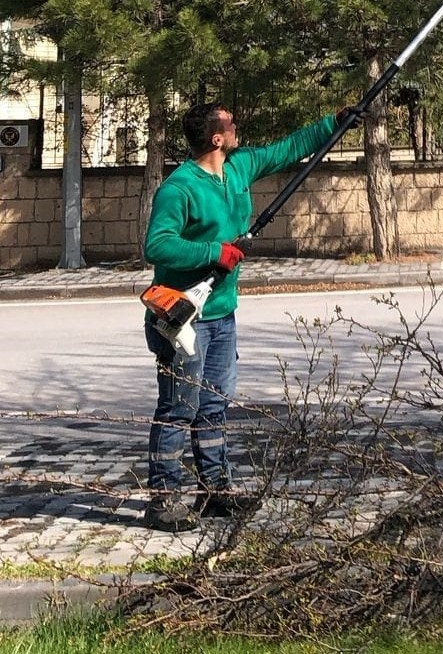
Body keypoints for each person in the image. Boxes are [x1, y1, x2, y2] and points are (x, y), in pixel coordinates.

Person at [141, 100, 346, 532]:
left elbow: (286, 149)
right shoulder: (179, 188)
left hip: (222, 316)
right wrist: (213, 252)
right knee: (179, 407)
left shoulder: (238, 168)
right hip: (183, 319)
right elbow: (157, 246)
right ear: (216, 138)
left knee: (214, 406)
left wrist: (334, 123)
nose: (237, 127)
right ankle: (162, 501)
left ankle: (215, 492)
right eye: (230, 123)